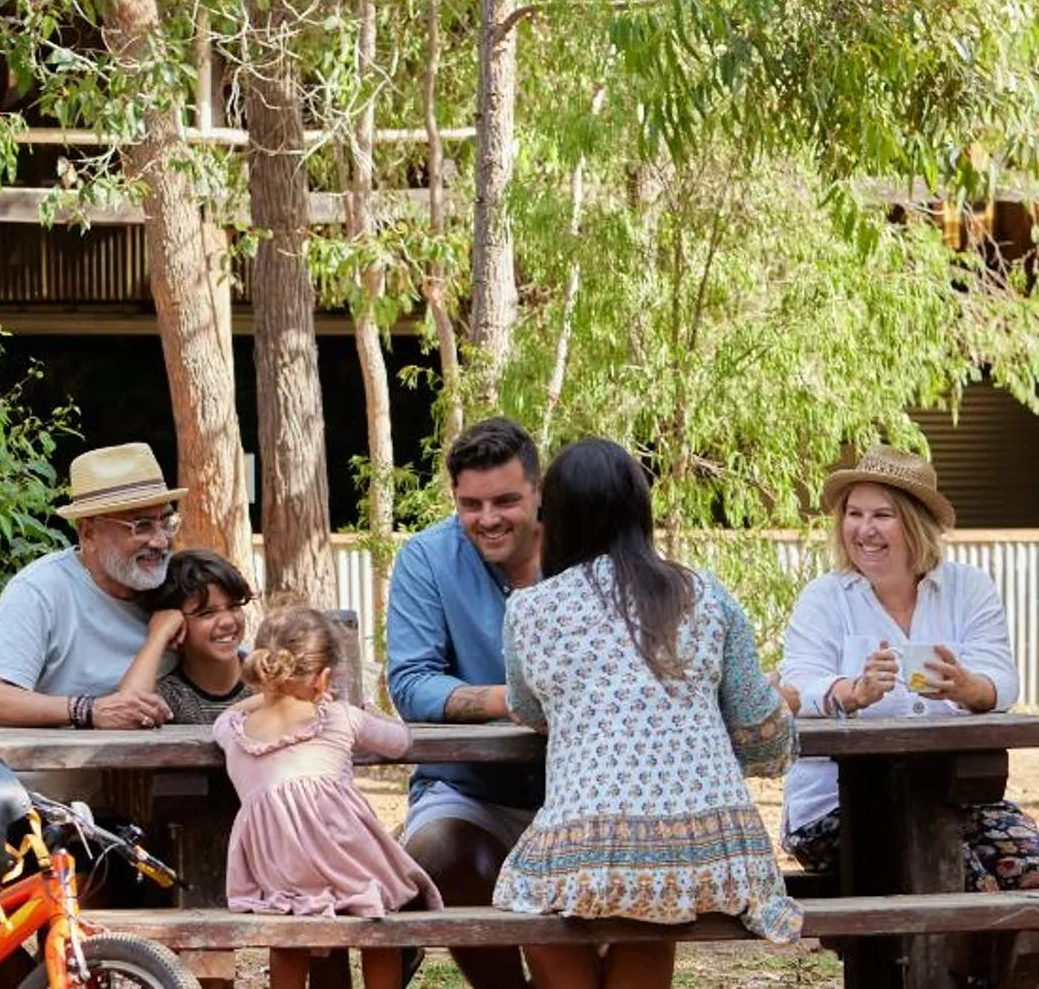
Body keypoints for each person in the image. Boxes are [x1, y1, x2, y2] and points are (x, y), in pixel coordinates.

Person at [493, 437, 800, 989]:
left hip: (590, 845)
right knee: (652, 901)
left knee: (528, 893)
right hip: (714, 853)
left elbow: (525, 708)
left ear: (553, 518)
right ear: (640, 511)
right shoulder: (705, 594)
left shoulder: (531, 610)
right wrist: (778, 712)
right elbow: (760, 730)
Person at [778, 446, 1039, 892]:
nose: (865, 529)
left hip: (953, 796)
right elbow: (797, 683)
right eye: (854, 514)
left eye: (882, 515)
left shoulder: (968, 589)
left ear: (916, 523)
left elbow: (1002, 680)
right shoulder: (825, 597)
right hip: (837, 805)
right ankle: (945, 963)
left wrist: (970, 688)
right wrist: (850, 691)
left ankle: (1010, 962)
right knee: (954, 880)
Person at [385, 417, 543, 989]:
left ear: (538, 492)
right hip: (465, 787)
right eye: (470, 505)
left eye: (506, 501)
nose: (489, 519)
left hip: (578, 789)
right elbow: (410, 684)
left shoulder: (581, 550)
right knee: (436, 852)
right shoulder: (427, 557)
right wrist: (513, 700)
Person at [217, 605, 439, 989]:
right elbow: (400, 742)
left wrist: (265, 696)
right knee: (379, 910)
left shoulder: (234, 730)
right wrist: (342, 704)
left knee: (288, 936)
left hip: (279, 870)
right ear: (324, 678)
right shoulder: (338, 717)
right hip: (346, 859)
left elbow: (224, 717)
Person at [0, 442, 183, 728]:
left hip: (172, 765)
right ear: (88, 532)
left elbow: (241, 670)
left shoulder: (180, 582)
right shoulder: (41, 590)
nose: (160, 541)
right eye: (141, 526)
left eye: (166, 522)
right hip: (61, 768)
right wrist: (88, 710)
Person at [116, 548, 254, 724]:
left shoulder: (267, 679)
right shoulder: (171, 697)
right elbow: (128, 708)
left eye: (234, 606)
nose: (227, 621)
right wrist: (158, 635)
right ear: (176, 623)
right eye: (207, 613)